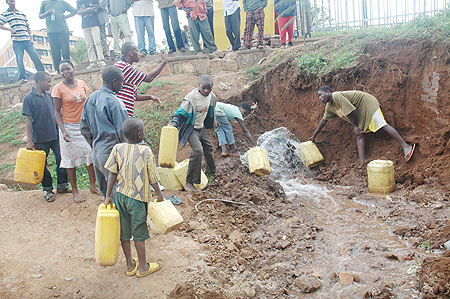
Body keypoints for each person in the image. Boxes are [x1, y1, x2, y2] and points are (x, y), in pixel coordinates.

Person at [104, 117, 164, 277]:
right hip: (137, 199)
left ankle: (130, 264)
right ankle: (143, 267)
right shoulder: (146, 151)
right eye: (143, 131)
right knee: (139, 233)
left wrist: (107, 195)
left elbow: (112, 173)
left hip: (120, 197)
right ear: (139, 135)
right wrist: (159, 195)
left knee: (124, 232)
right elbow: (153, 178)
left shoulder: (117, 148)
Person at [311, 86, 416, 162]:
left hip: (367, 104)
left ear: (328, 92)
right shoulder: (330, 106)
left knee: (380, 124)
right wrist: (314, 136)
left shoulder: (337, 96)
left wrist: (355, 126)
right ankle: (362, 161)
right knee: (359, 134)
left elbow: (352, 111)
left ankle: (405, 146)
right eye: (318, 96)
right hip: (359, 112)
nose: (320, 98)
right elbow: (324, 120)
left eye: (321, 95)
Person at [52, 60, 102, 203]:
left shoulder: (82, 84)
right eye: (62, 70)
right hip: (67, 128)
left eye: (68, 68)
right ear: (59, 73)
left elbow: (88, 104)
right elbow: (56, 112)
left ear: (74, 68)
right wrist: (63, 130)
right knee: (69, 159)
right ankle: (75, 190)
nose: (66, 72)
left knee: (90, 154)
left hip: (84, 126)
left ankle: (93, 185)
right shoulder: (58, 88)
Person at [22, 71, 70, 202]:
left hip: (54, 136)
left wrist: (62, 131)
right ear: (39, 82)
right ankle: (47, 189)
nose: (50, 84)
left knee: (62, 159)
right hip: (39, 138)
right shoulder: (29, 98)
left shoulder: (49, 96)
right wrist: (30, 141)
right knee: (42, 164)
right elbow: (29, 120)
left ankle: (62, 185)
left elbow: (56, 115)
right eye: (48, 81)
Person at [80, 66, 128, 197]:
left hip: (97, 152)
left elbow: (83, 127)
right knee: (117, 191)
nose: (122, 86)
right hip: (111, 152)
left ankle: (110, 216)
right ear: (114, 81)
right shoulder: (115, 102)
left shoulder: (90, 98)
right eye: (121, 82)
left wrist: (94, 143)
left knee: (105, 190)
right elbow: (124, 131)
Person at [169, 75, 217, 191]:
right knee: (198, 150)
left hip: (201, 127)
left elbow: (211, 111)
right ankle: (189, 181)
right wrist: (174, 123)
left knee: (209, 148)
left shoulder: (212, 97)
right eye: (203, 88)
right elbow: (179, 113)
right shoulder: (191, 98)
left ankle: (211, 172)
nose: (206, 91)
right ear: (198, 85)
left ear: (212, 87)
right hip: (191, 129)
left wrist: (215, 122)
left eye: (208, 89)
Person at [114, 42, 167, 117]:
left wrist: (150, 97)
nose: (139, 54)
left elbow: (134, 96)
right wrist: (164, 62)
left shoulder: (122, 65)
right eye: (137, 51)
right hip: (122, 114)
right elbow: (148, 78)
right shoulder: (124, 67)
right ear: (131, 53)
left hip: (125, 113)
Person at [0, 0, 45, 84]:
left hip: (26, 39)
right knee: (19, 60)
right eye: (10, 1)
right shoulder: (5, 14)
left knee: (35, 56)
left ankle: (42, 73)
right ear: (7, 2)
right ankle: (22, 78)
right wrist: (10, 29)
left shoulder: (21, 13)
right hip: (17, 40)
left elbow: (27, 26)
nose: (13, 3)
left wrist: (31, 37)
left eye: (13, 1)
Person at [39, 0, 77, 72]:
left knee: (65, 51)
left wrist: (65, 16)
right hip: (51, 31)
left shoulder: (62, 2)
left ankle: (68, 68)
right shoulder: (45, 2)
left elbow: (74, 11)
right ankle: (58, 70)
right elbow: (40, 16)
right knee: (55, 52)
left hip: (63, 30)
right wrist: (47, 13)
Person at [77, 0, 107, 69]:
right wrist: (88, 10)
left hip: (95, 23)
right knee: (89, 44)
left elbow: (95, 9)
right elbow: (78, 12)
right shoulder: (79, 1)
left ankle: (101, 60)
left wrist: (84, 10)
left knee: (97, 42)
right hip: (85, 25)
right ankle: (93, 62)